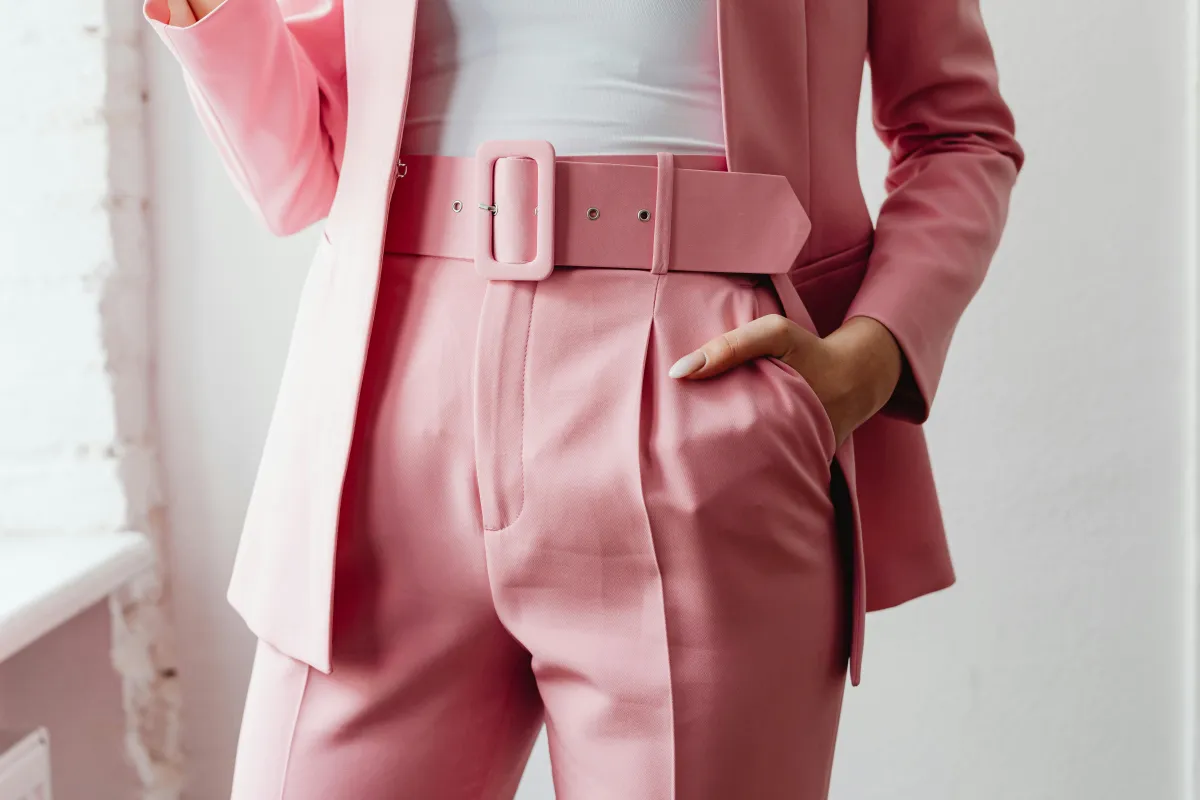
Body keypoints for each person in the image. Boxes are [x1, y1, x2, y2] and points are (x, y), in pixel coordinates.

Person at [145, 0, 1023, 797]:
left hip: (698, 392)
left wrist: (870, 358)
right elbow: (300, 173)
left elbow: (958, 134)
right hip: (381, 410)